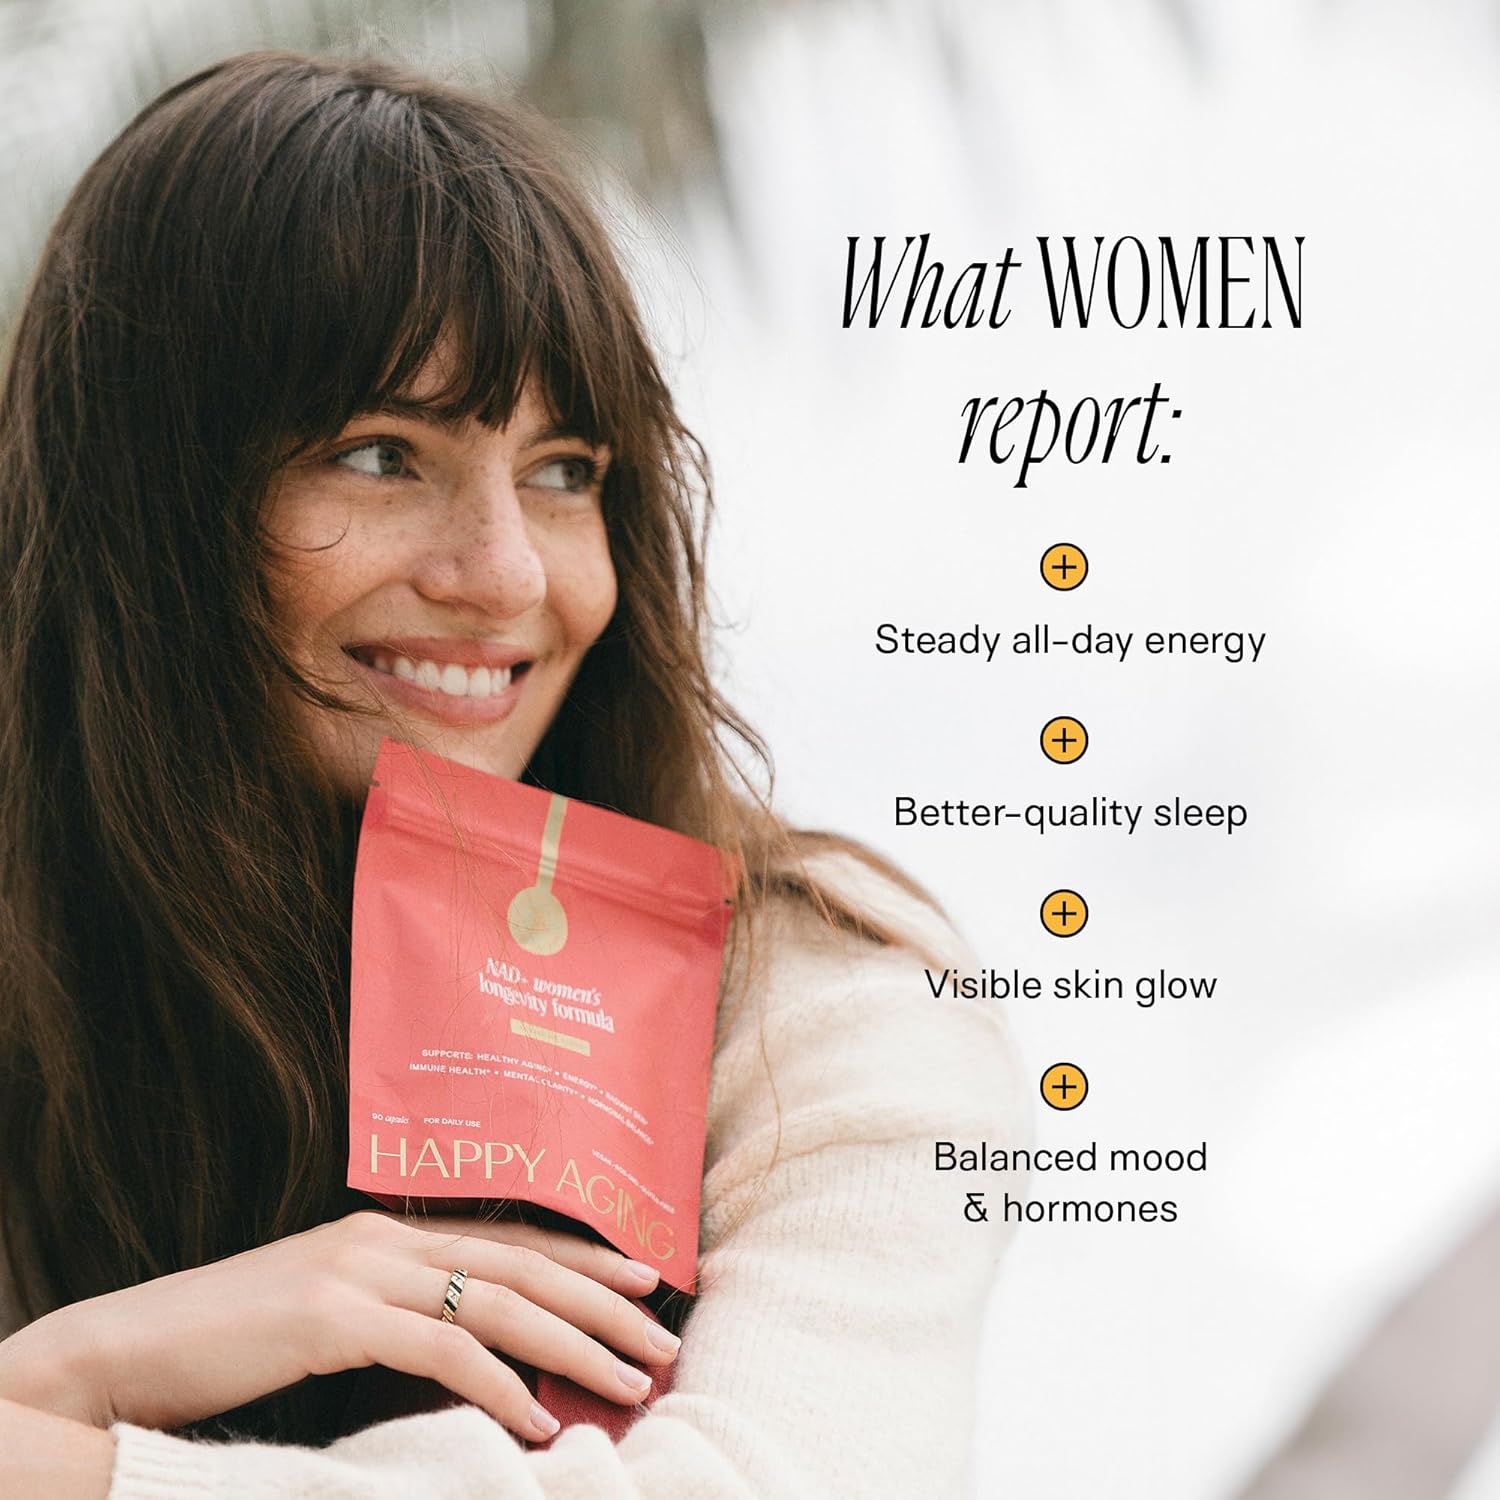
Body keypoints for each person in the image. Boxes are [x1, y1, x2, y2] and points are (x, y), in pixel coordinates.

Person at [0, 49, 1026, 1498]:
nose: (503, 577)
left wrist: (66, 1457)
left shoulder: (822, 1008)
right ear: (139, 522)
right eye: (377, 454)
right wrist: (81, 1366)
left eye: (563, 471)